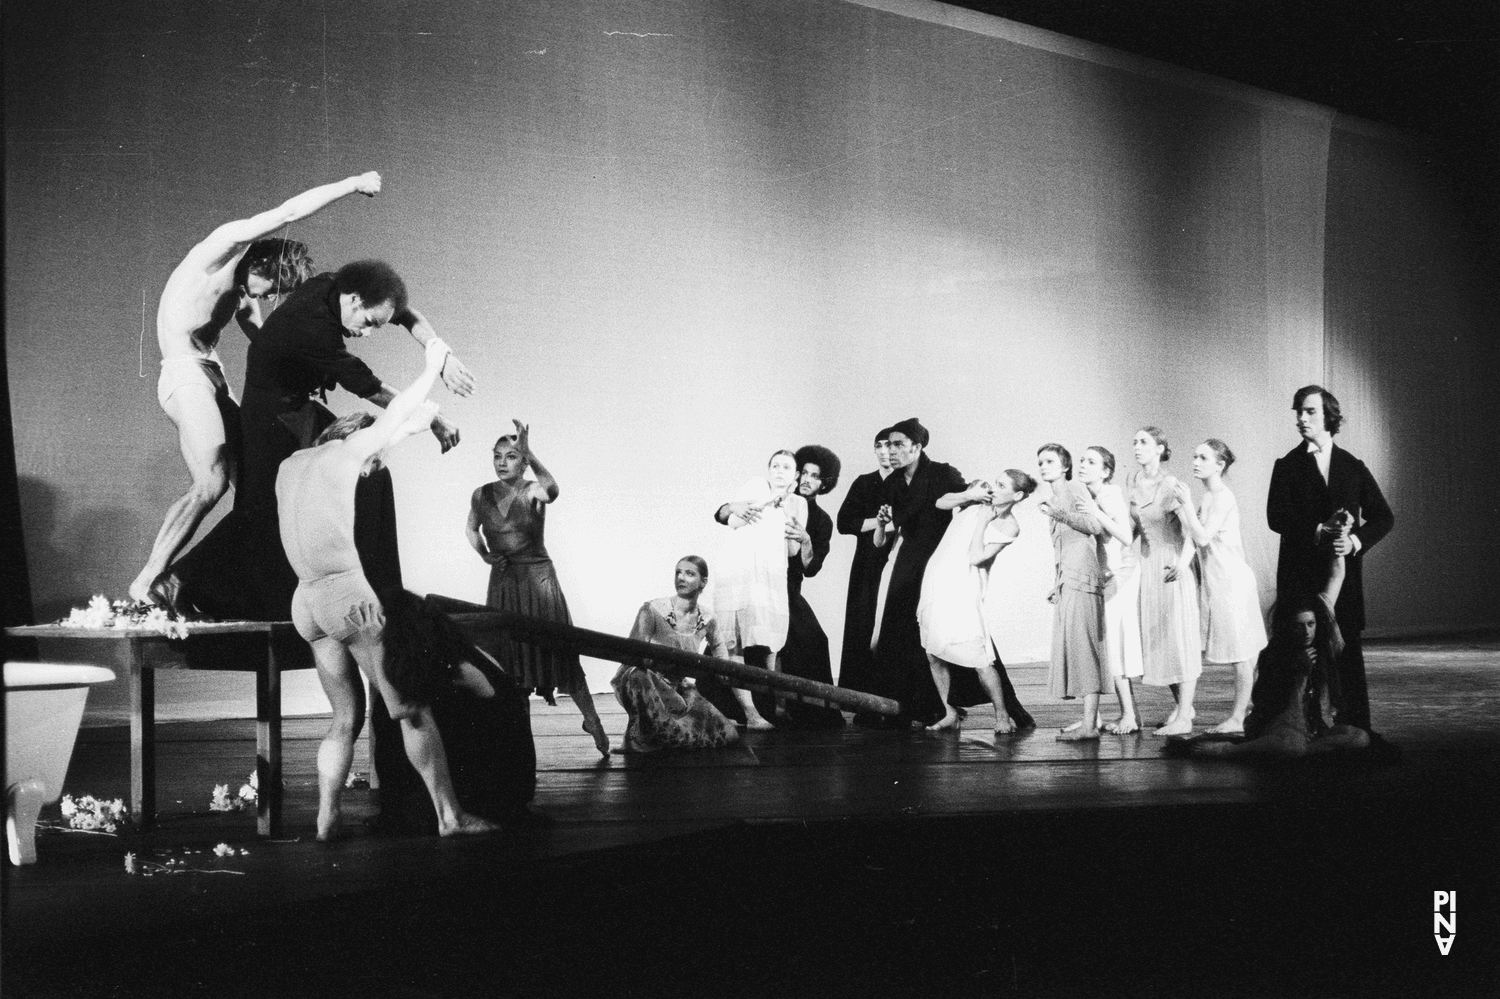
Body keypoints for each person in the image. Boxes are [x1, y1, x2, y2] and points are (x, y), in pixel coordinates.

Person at [154, 257, 477, 621]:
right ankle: (177, 581)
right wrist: (434, 416)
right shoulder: (312, 329)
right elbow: (372, 390)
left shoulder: (336, 284)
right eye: (369, 323)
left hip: (299, 407)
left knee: (366, 473)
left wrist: (441, 352)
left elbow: (403, 312)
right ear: (354, 300)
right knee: (263, 513)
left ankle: (379, 596)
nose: (367, 333)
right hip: (270, 417)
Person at [275, 335, 493, 839]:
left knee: (344, 717)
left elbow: (393, 431)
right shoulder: (350, 454)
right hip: (346, 599)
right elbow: (394, 414)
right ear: (358, 439)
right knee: (410, 710)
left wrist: (414, 428)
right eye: (374, 460)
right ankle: (451, 816)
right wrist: (432, 364)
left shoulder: (290, 468)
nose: (372, 468)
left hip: (305, 602)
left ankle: (327, 816)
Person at [130, 172, 382, 602]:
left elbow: (265, 341)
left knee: (254, 481)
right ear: (263, 264)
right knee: (211, 483)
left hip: (210, 374)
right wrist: (352, 184)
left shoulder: (245, 291)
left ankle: (224, 582)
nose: (265, 299)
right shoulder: (220, 251)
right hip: (182, 373)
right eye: (272, 289)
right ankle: (148, 580)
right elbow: (288, 212)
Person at [1166, 528, 1373, 759]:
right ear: (1288, 627)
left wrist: (1339, 533)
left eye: (1311, 624)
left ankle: (1306, 751)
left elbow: (1337, 575)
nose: (1306, 631)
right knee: (1292, 745)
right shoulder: (1277, 654)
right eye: (1299, 626)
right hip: (1281, 725)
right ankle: (1233, 751)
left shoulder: (1324, 634)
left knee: (1360, 737)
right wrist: (1301, 674)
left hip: (1315, 729)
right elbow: (1280, 710)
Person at [467, 423, 609, 757]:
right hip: (504, 583)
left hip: (538, 582)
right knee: (511, 662)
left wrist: (531, 454)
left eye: (512, 456)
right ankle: (521, 748)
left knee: (559, 651)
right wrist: (485, 554)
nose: (503, 462)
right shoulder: (481, 493)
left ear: (523, 461)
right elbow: (472, 529)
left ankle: (593, 721)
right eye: (498, 456)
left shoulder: (532, 490)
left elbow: (553, 489)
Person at [1267, 385, 1394, 731]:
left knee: (1346, 652)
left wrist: (1354, 541)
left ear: (1329, 417)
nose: (1301, 419)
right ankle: (1301, 724)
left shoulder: (1352, 466)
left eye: (1309, 412)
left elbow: (1384, 516)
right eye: (1298, 412)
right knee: (1300, 655)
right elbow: (1275, 517)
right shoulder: (1287, 466)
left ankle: (1355, 728)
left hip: (1343, 579)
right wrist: (1318, 530)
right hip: (1301, 576)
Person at [865, 418, 969, 726]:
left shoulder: (942, 473)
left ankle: (946, 705)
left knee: (940, 631)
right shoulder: (894, 483)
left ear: (917, 447)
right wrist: (882, 523)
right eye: (888, 445)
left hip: (939, 558)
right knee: (897, 630)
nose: (892, 451)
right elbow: (885, 536)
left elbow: (964, 505)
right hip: (908, 562)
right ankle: (905, 706)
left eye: (898, 444)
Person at [919, 469, 1039, 734]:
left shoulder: (1009, 525)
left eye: (1001, 485)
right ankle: (948, 711)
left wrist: (983, 522)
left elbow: (975, 557)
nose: (993, 488)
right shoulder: (977, 503)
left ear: (1017, 494)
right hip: (938, 582)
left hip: (964, 588)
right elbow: (940, 502)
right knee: (934, 653)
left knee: (979, 658)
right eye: (994, 483)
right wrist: (968, 495)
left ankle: (1002, 715)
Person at [1173, 439, 1268, 733]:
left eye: (1203, 457)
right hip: (1222, 582)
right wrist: (1180, 564)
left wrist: (1186, 503)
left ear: (1220, 465)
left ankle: (1238, 717)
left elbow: (1202, 536)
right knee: (1244, 654)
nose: (1195, 462)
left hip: (1233, 583)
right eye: (1194, 456)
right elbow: (1193, 535)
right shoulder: (1208, 497)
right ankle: (1247, 710)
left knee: (1242, 654)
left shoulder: (1223, 497)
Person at [712, 450, 808, 730]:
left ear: (795, 474)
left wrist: (798, 530)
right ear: (768, 470)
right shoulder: (756, 486)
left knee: (770, 641)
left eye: (786, 467)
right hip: (740, 569)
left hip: (771, 574)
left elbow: (792, 550)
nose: (780, 471)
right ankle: (750, 712)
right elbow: (734, 521)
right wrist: (767, 502)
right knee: (734, 640)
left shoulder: (799, 502)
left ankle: (773, 706)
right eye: (775, 466)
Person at [611, 557, 741, 753]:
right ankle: (642, 736)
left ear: (703, 581)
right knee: (638, 676)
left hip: (676, 687)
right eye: (678, 572)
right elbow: (633, 654)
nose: (681, 577)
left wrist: (724, 670)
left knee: (726, 734)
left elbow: (720, 651)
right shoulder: (653, 609)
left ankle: (662, 735)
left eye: (689, 573)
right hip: (646, 682)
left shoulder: (707, 617)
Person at [1127, 426, 1202, 736]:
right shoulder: (1133, 482)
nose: (1137, 447)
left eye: (1144, 442)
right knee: (1159, 641)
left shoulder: (1171, 485)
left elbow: (1192, 534)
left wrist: (1182, 565)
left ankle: (1185, 715)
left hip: (1171, 564)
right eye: (1135, 442)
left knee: (1179, 639)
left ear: (1160, 448)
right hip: (1147, 567)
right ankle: (1184, 706)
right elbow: (1133, 528)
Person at [1036, 445, 1111, 742]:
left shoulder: (1075, 488)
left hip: (1084, 575)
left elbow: (1094, 525)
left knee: (1086, 648)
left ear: (1065, 466)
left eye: (1050, 461)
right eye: (1040, 462)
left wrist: (1061, 514)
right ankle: (1088, 721)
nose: (1043, 466)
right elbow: (1061, 547)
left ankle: (1090, 725)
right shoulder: (1055, 499)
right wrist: (1057, 582)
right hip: (1070, 576)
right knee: (1078, 648)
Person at [1072, 446, 1143, 734]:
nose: (1083, 465)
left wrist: (1095, 513)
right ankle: (1098, 717)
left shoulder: (1110, 494)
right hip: (1104, 575)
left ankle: (1129, 715)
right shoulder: (1089, 495)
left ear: (1105, 471)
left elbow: (1126, 535)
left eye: (1091, 462)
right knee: (1102, 647)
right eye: (1082, 460)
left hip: (1120, 575)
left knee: (1111, 646)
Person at [775, 446, 847, 728]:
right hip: (759, 583)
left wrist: (806, 540)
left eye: (814, 476)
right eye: (803, 472)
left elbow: (811, 569)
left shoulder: (821, 520)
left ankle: (813, 712)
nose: (806, 479)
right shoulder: (777, 500)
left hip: (789, 588)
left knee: (815, 640)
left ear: (824, 483)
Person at [835, 428, 895, 701]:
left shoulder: (908, 483)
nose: (885, 451)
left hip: (896, 562)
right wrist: (881, 523)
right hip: (865, 564)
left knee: (891, 628)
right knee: (861, 625)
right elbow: (844, 522)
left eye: (890, 445)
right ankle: (859, 698)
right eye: (879, 446)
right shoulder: (864, 482)